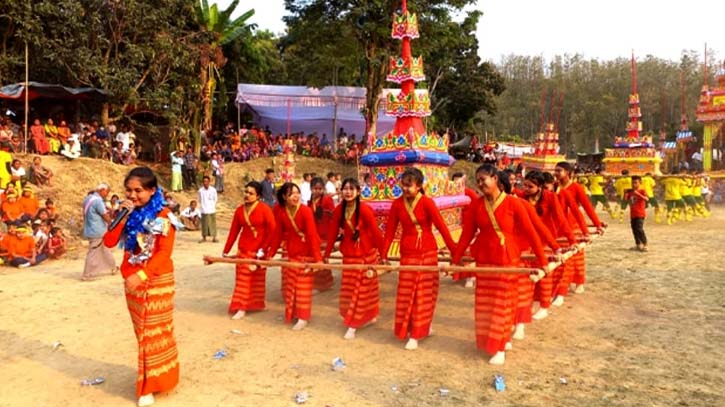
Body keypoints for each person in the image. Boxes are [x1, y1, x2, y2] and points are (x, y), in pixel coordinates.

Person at [452, 164, 548, 365]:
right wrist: (455, 261)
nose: (480, 184)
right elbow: (466, 236)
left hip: (507, 259)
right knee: (485, 305)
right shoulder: (477, 206)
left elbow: (532, 232)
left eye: (484, 179)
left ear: (495, 179)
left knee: (501, 305)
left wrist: (543, 261)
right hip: (485, 260)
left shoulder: (515, 204)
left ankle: (501, 346)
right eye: (477, 180)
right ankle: (492, 340)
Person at [103, 167, 179, 407]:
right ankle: (156, 378)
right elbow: (109, 241)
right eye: (129, 190)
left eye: (138, 191)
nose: (133, 195)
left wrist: (144, 274)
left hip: (156, 280)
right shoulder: (126, 212)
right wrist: (123, 215)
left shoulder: (164, 215)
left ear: (152, 190)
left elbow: (164, 253)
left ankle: (149, 386)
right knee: (141, 333)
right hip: (132, 280)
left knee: (152, 333)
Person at [381, 168, 457, 351]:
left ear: (419, 186)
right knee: (407, 293)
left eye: (410, 185)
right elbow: (390, 231)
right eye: (404, 185)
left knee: (423, 292)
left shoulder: (427, 203)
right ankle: (410, 328)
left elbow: (442, 227)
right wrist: (383, 254)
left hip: (427, 252)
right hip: (407, 253)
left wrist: (455, 252)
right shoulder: (397, 205)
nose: (406, 189)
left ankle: (418, 331)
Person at [323, 178, 385, 339]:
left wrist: (383, 254)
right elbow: (332, 233)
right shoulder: (338, 211)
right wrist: (326, 254)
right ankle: (365, 317)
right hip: (349, 254)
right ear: (341, 191)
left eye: (351, 189)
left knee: (362, 290)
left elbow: (376, 232)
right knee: (350, 290)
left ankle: (354, 323)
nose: (348, 192)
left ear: (358, 192)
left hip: (366, 254)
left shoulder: (365, 209)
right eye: (345, 189)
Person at [266, 182, 322, 331]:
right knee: (292, 287)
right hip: (292, 253)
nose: (295, 196)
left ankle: (303, 317)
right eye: (291, 194)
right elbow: (277, 235)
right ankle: (295, 314)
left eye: (297, 193)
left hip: (306, 253)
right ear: (284, 197)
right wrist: (270, 254)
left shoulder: (306, 211)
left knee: (303, 288)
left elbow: (311, 234)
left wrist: (318, 259)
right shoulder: (282, 213)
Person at [522, 170, 576, 321]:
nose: (526, 189)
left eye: (530, 186)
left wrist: (571, 240)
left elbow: (561, 219)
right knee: (527, 275)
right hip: (527, 240)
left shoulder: (551, 197)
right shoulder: (521, 198)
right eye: (524, 185)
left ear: (540, 187)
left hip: (546, 239)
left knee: (545, 273)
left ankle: (544, 306)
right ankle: (528, 304)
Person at [222, 181, 276, 320]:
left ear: (258, 195)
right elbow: (234, 231)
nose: (247, 195)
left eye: (250, 193)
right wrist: (226, 250)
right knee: (242, 280)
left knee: (257, 280)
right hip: (243, 250)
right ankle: (241, 306)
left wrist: (264, 249)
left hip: (259, 251)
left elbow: (272, 230)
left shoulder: (265, 209)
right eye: (245, 192)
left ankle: (253, 305)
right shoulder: (239, 210)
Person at [553, 161, 605, 300]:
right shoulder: (554, 187)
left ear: (568, 173)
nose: (556, 173)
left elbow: (587, 207)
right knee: (561, 253)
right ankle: (561, 282)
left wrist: (597, 224)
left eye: (559, 171)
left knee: (576, 255)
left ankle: (579, 282)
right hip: (558, 225)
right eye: (555, 171)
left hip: (573, 224)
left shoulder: (576, 187)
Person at [450, 171, 480, 287]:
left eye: (459, 181)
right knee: (457, 251)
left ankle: (470, 276)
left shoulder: (469, 193)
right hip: (455, 227)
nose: (457, 183)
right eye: (455, 181)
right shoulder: (450, 193)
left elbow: (478, 207)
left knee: (468, 253)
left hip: (468, 227)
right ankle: (458, 274)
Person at [82, 183, 117, 281]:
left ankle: (112, 267)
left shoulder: (87, 199)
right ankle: (87, 274)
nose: (107, 194)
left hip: (91, 229)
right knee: (93, 252)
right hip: (98, 230)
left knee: (105, 249)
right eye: (107, 192)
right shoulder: (98, 201)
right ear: (102, 190)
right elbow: (104, 215)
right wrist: (111, 224)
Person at [308, 176, 335, 293]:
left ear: (323, 189)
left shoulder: (327, 200)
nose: (317, 191)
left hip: (325, 232)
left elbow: (333, 216)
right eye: (315, 188)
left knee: (322, 257)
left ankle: (324, 284)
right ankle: (321, 283)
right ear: (311, 189)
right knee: (316, 257)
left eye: (320, 188)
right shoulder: (310, 201)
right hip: (314, 233)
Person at [625, 176, 648, 251]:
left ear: (640, 183)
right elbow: (626, 200)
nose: (633, 184)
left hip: (640, 213)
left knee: (639, 229)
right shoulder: (630, 191)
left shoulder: (642, 191)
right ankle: (638, 244)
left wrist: (637, 193)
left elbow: (646, 199)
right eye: (632, 183)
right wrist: (625, 193)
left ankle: (645, 244)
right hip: (633, 214)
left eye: (635, 182)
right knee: (634, 229)